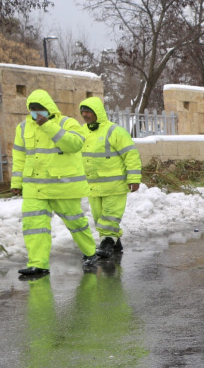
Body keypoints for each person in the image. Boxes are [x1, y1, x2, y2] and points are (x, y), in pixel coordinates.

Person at [11, 89, 98, 278]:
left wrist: (49, 126)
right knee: (34, 225)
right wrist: (16, 181)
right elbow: (19, 156)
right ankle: (38, 264)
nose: (35, 112)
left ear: (48, 107)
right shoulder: (23, 127)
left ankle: (90, 252)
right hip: (35, 187)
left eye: (39, 108)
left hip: (63, 186)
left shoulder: (67, 123)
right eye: (32, 109)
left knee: (76, 223)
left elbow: (74, 145)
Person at [78, 96, 142, 258]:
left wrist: (133, 178)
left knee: (110, 215)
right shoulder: (81, 132)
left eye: (88, 111)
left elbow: (130, 155)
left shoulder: (115, 131)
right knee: (98, 216)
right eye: (83, 112)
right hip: (92, 186)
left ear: (97, 112)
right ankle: (114, 241)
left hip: (115, 185)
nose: (85, 115)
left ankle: (107, 242)